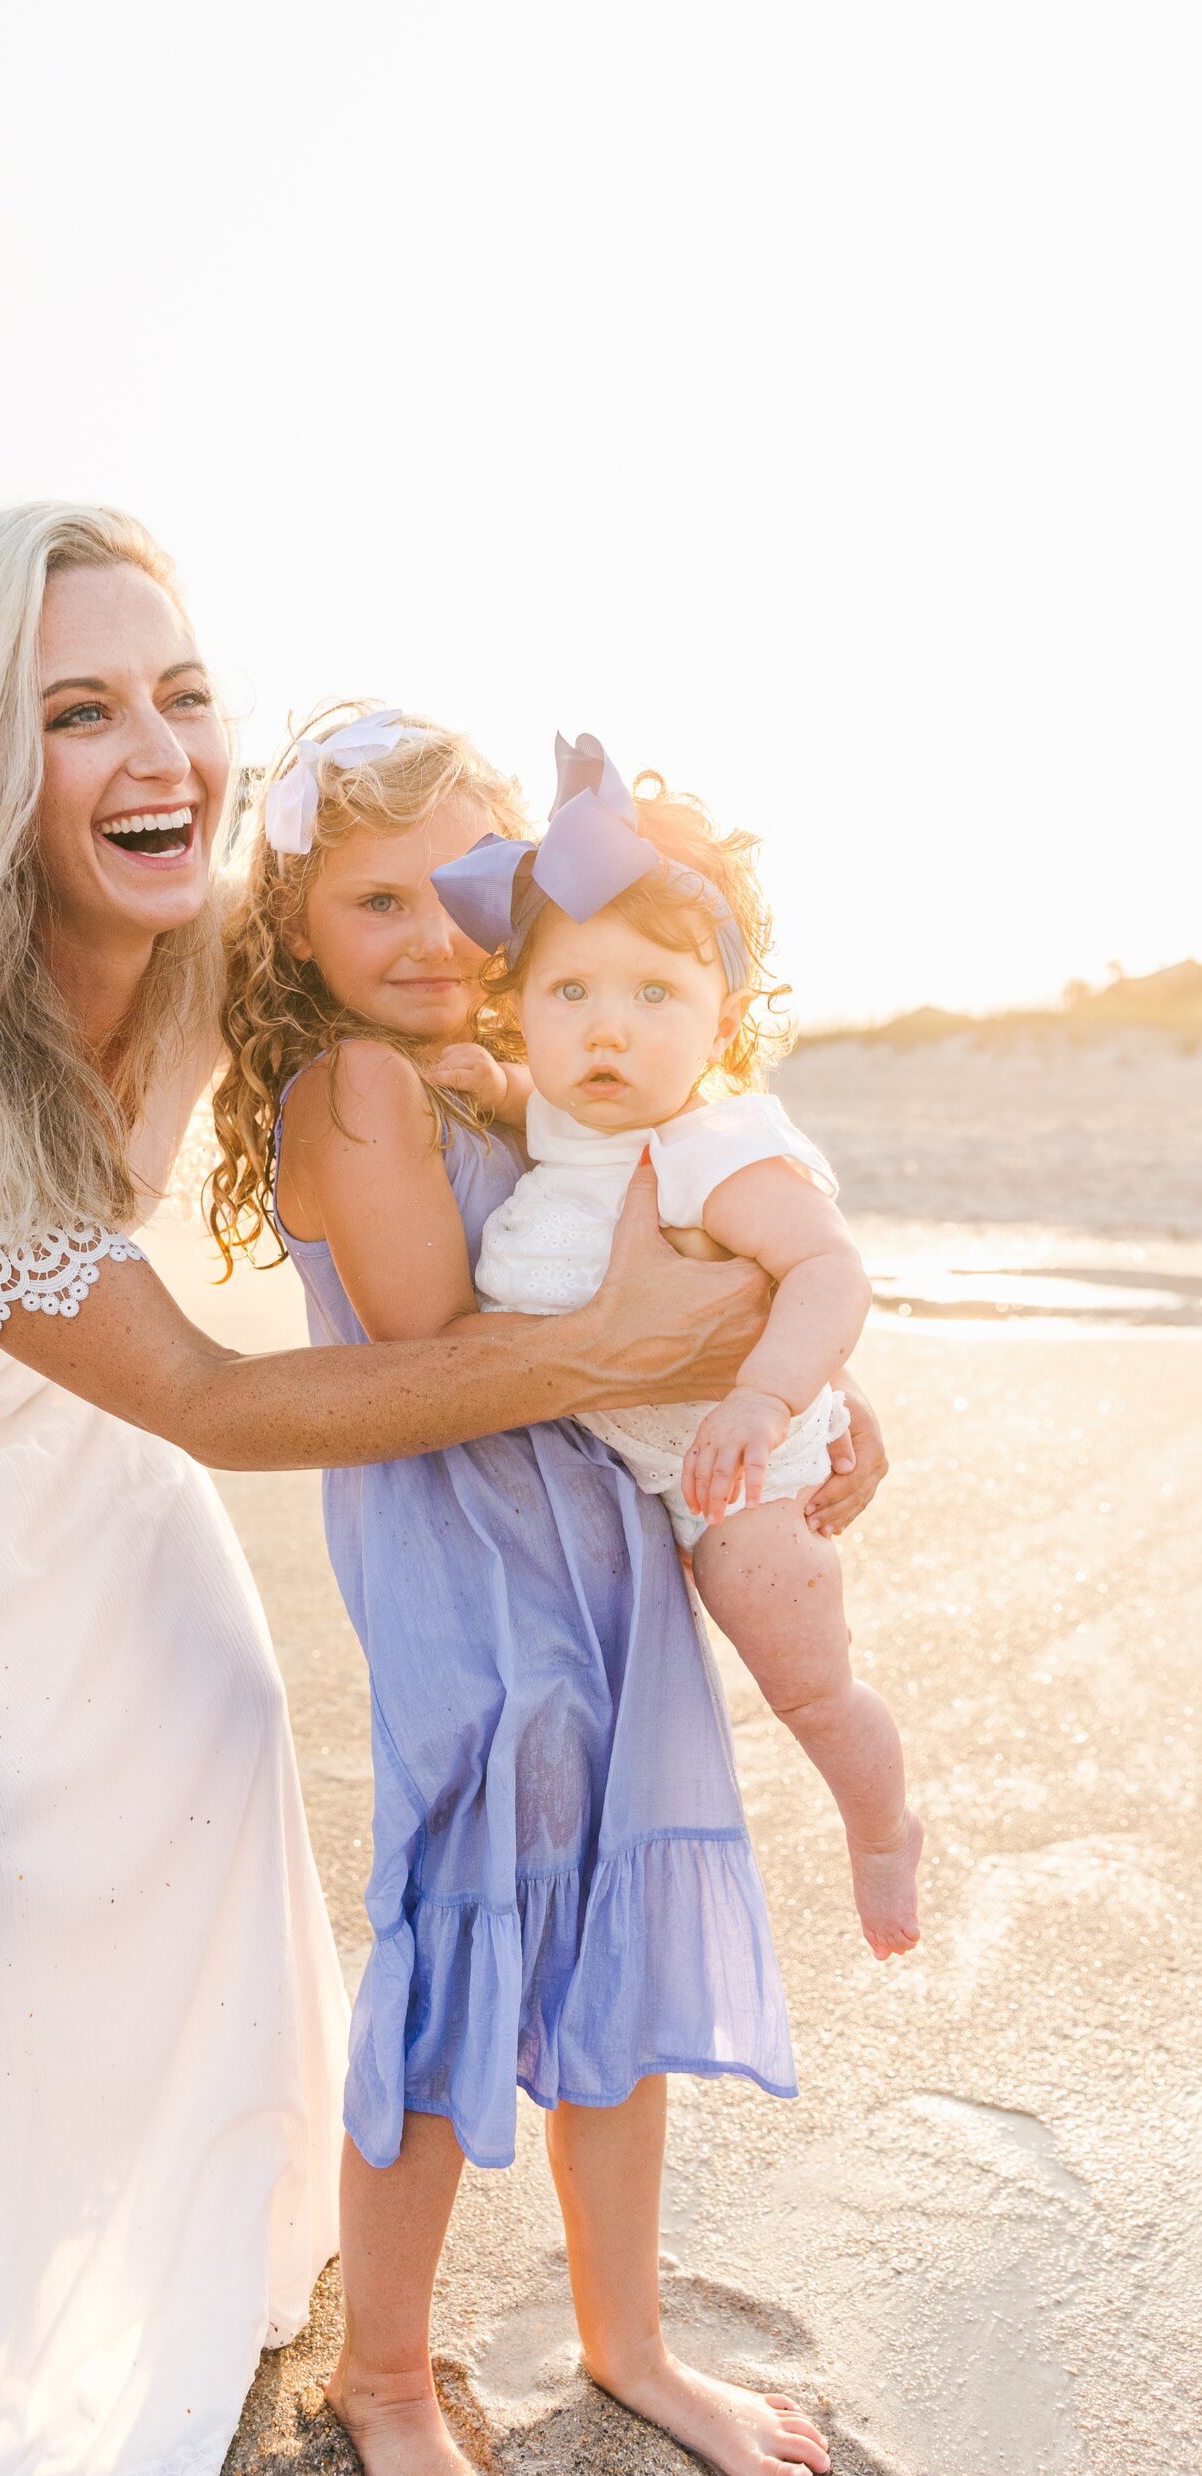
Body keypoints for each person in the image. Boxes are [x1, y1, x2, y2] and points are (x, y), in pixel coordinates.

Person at [0, 512, 788, 2476]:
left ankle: (169, 2195)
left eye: (179, 693)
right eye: (76, 712)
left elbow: (459, 944)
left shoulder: (218, 925)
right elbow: (221, 1404)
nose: (158, 751)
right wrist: (604, 1344)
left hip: (62, 1413)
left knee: (222, 1739)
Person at [211, 707, 883, 2476]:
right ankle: (391, 2381)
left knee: (606, 1935)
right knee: (463, 1925)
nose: (430, 937)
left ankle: (628, 2337)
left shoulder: (521, 1075)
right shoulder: (359, 1088)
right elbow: (448, 1349)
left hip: (605, 1542)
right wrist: (679, 1317)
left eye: (461, 894)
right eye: (372, 904)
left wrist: (794, 1375)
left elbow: (706, 1233)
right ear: (296, 937)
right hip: (470, 1555)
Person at [443, 735, 922, 1962]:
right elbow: (524, 1094)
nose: (610, 1031)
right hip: (616, 1465)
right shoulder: (558, 1107)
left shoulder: (717, 1147)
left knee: (802, 1677)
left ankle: (880, 1825)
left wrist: (767, 1403)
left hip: (734, 1478)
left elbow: (827, 1269)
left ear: (721, 1020)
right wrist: (469, 1077)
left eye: (655, 996)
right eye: (572, 995)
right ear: (525, 1009)